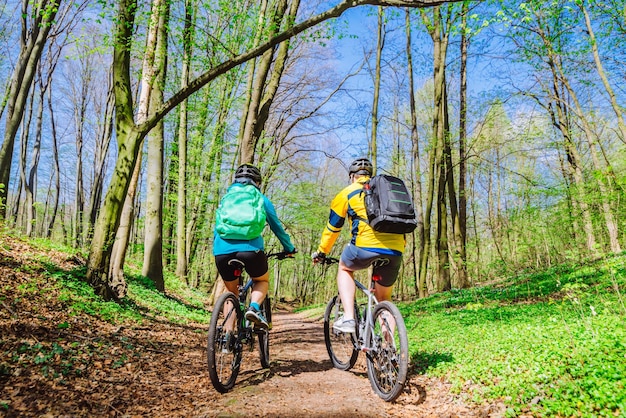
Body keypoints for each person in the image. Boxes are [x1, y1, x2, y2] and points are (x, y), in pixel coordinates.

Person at [312, 158, 405, 333]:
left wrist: (321, 252)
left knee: (345, 268)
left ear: (352, 177)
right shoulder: (385, 192)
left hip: (364, 247)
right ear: (370, 175)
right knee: (384, 299)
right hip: (395, 249)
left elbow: (333, 229)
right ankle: (389, 350)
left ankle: (348, 317)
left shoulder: (347, 193)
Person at [213, 163, 296, 329]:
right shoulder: (261, 199)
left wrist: (218, 250)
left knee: (231, 293)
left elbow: (217, 229)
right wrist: (289, 248)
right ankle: (254, 308)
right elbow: (276, 227)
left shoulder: (226, 199)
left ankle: (227, 337)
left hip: (222, 251)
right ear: (257, 183)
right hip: (251, 250)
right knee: (261, 280)